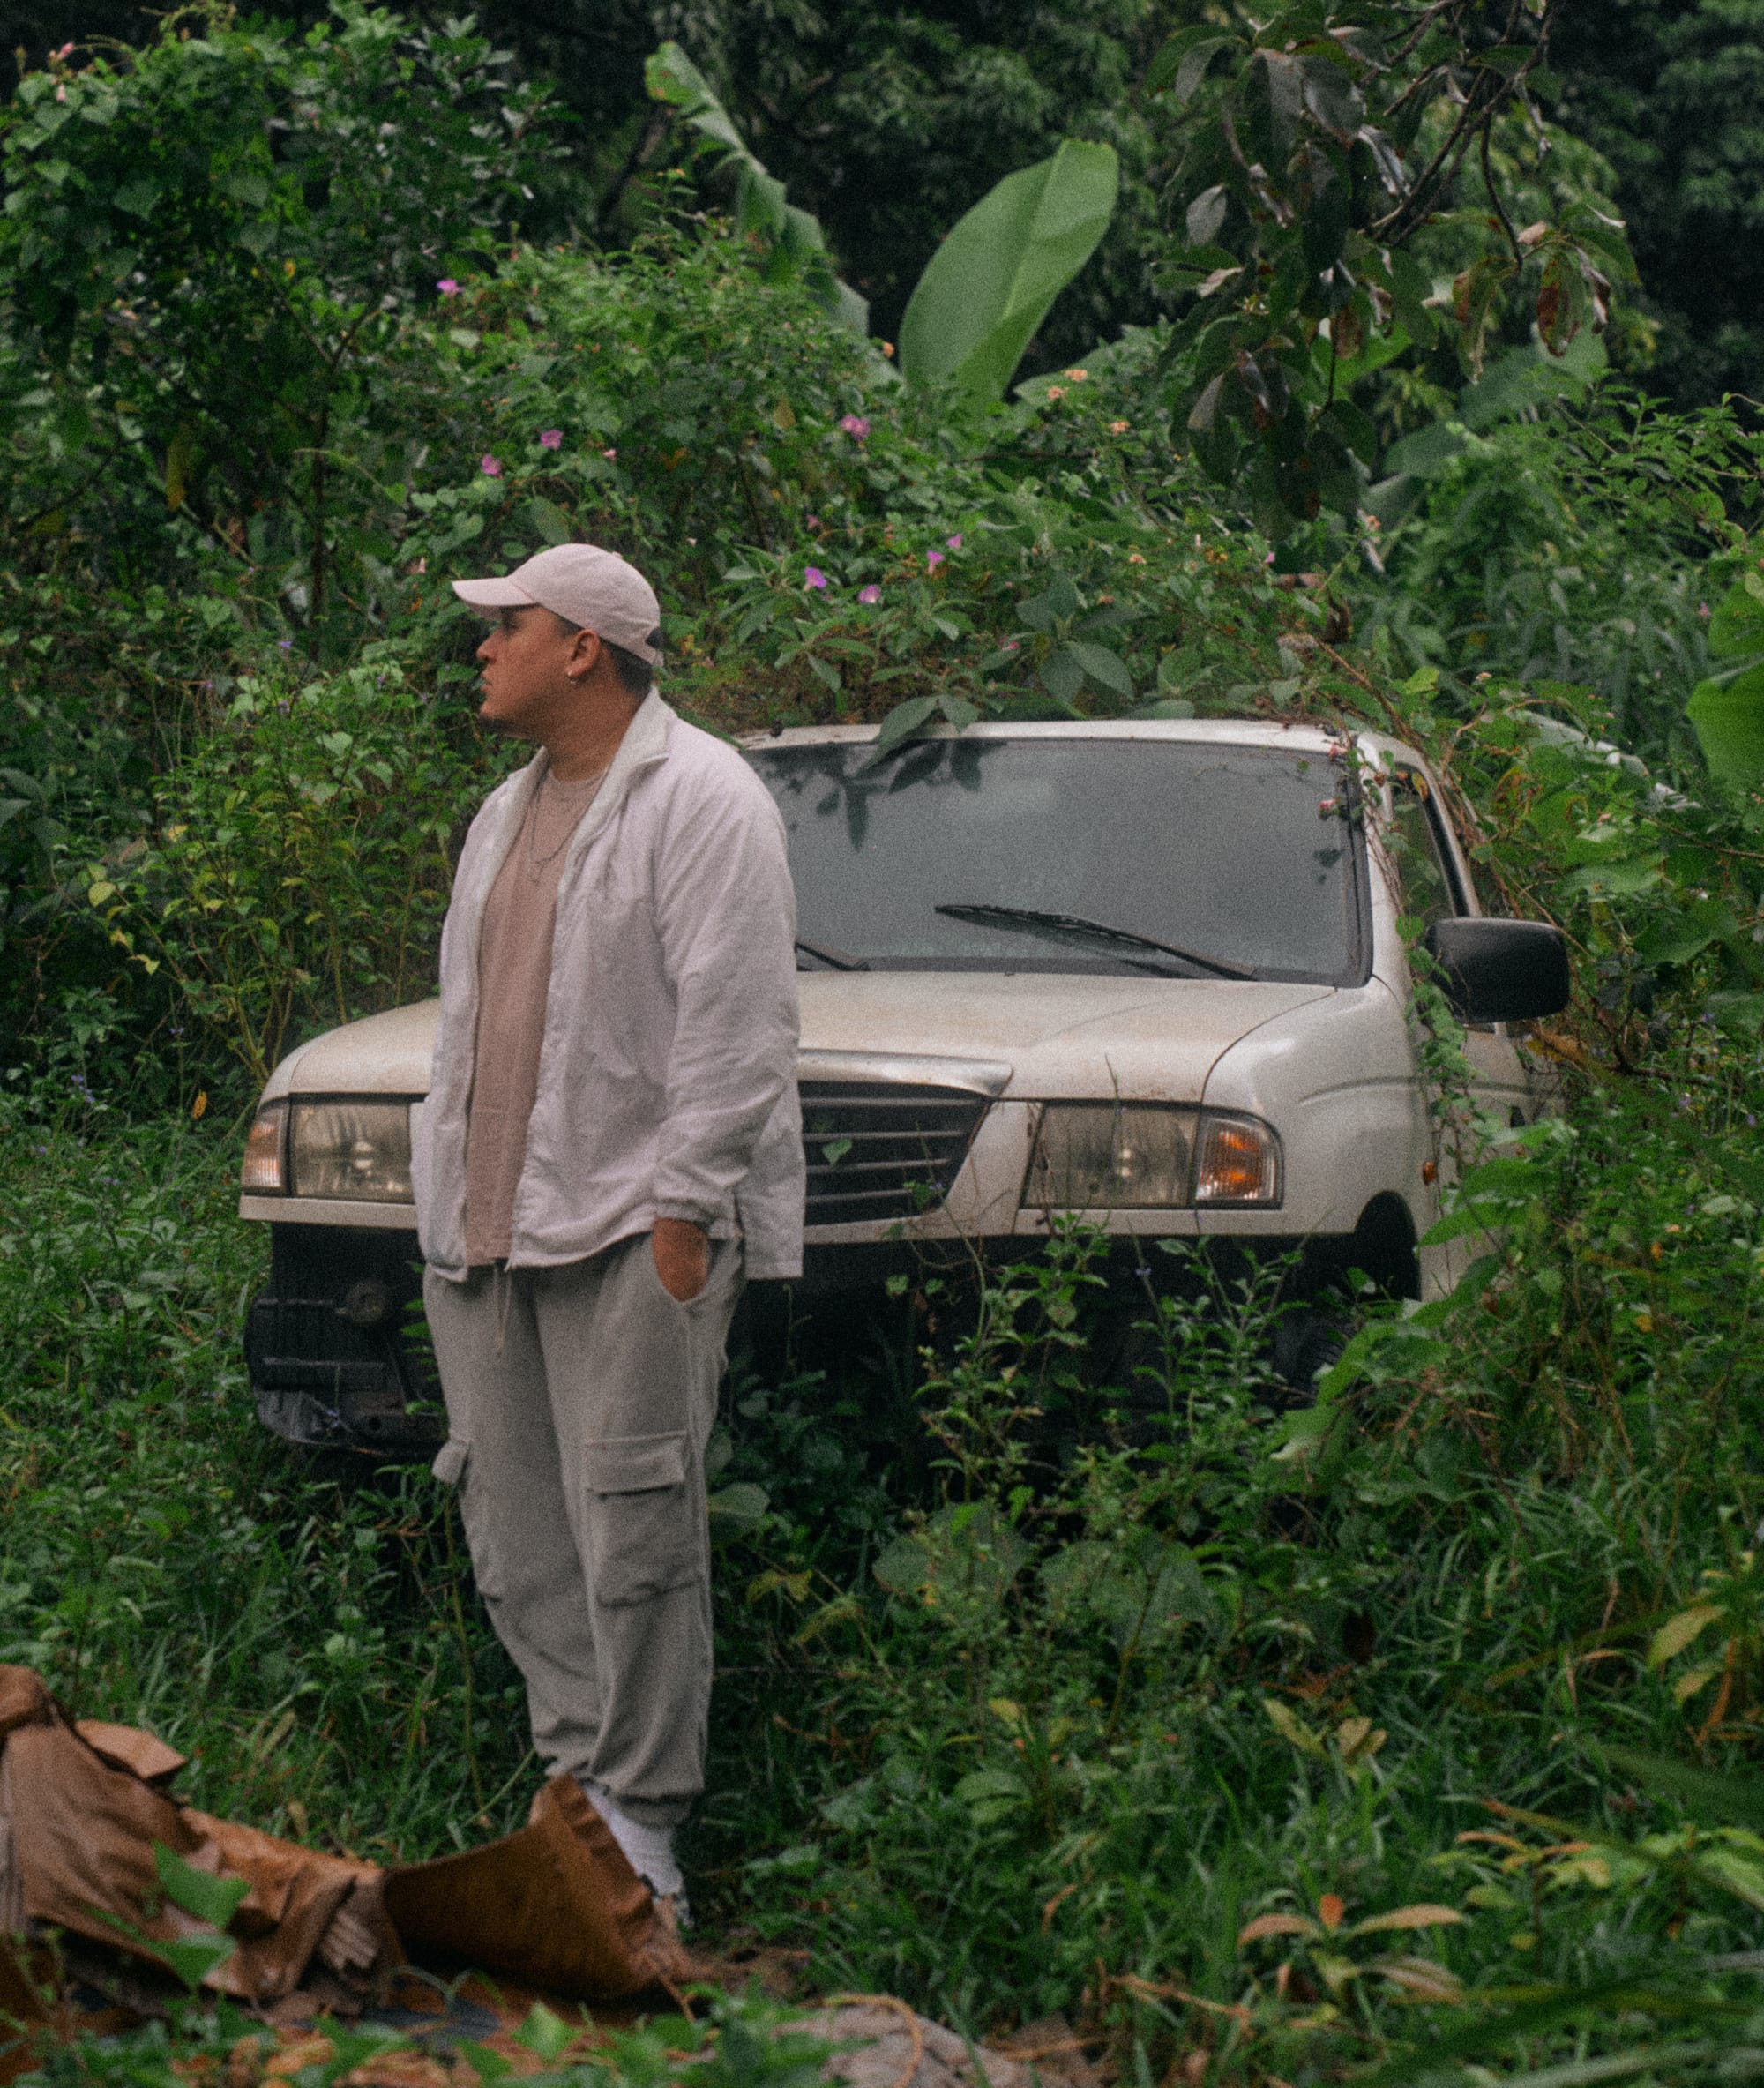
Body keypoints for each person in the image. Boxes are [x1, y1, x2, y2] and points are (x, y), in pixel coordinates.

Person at [411, 542, 804, 1920]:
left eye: (504, 626)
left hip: (640, 1232)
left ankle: (644, 1836)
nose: (483, 648)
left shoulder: (704, 801)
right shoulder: (502, 813)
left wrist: (687, 1212)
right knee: (518, 1533)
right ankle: (571, 1799)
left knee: (633, 1527)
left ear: (583, 646)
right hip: (492, 1232)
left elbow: (741, 1026)